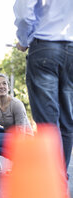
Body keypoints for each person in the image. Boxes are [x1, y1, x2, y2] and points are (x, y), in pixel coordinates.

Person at [13, 0, 73, 171]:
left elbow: (24, 14)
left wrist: (24, 40)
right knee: (68, 120)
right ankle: (60, 179)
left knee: (48, 122)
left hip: (45, 46)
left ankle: (55, 182)